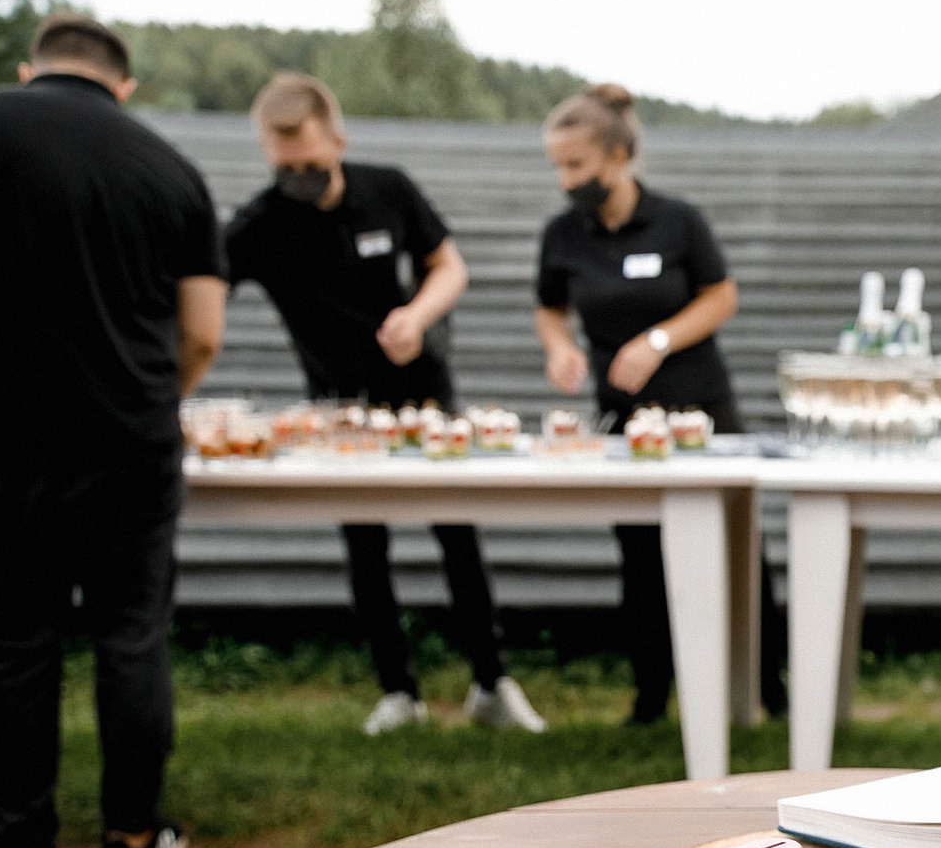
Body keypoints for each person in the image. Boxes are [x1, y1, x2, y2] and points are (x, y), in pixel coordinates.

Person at [0, 14, 226, 848]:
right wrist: (153, 394)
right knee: (130, 635)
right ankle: (133, 838)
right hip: (132, 438)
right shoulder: (172, 169)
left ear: (29, 68)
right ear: (125, 84)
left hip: (6, 438)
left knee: (9, 642)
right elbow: (201, 334)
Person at [223, 72, 545, 736]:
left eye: (312, 164)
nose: (301, 177)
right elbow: (200, 296)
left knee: (457, 534)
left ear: (337, 140)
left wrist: (416, 315)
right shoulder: (256, 225)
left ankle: (491, 682)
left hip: (422, 392)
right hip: (339, 410)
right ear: (265, 155)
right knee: (364, 546)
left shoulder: (387, 188)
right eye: (286, 168)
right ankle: (399, 692)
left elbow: (449, 267)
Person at [534, 84, 740, 725]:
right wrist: (559, 348)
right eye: (559, 168)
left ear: (619, 156)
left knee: (735, 550)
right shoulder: (563, 234)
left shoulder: (679, 220)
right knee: (642, 557)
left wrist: (657, 340)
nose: (567, 181)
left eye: (577, 166)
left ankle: (762, 687)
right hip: (624, 421)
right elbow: (550, 309)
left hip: (701, 414)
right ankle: (651, 693)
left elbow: (720, 297)